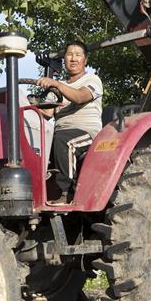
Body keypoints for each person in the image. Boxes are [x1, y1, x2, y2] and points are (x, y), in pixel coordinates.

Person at [36, 40, 103, 204]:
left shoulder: (92, 80)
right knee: (37, 142)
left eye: (78, 55)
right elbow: (46, 113)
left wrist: (56, 84)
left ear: (85, 60)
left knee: (64, 140)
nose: (73, 59)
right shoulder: (59, 87)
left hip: (87, 133)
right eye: (69, 54)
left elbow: (80, 97)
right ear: (64, 59)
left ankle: (65, 193)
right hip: (59, 133)